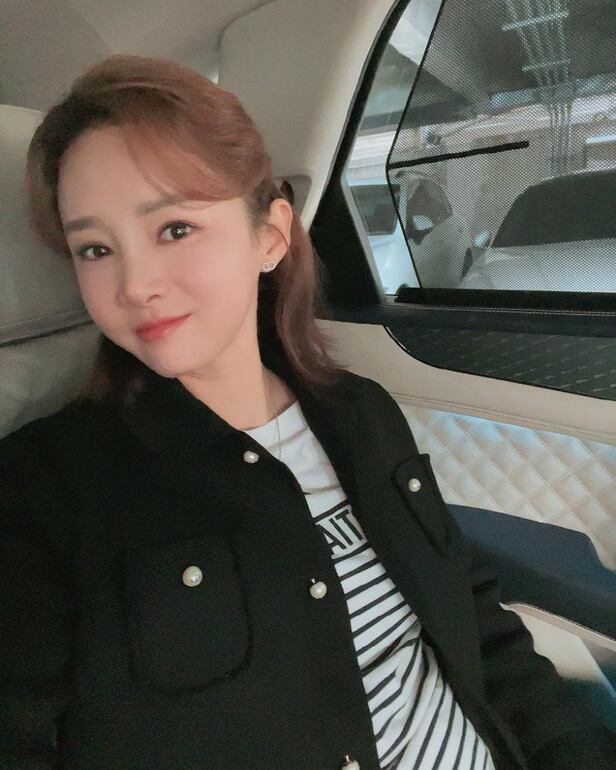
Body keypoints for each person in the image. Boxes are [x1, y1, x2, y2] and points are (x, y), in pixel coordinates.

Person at [0, 54, 614, 770]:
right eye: (95, 248)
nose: (134, 285)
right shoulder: (43, 489)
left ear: (269, 235)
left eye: (174, 229)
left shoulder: (361, 412)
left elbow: (476, 621)